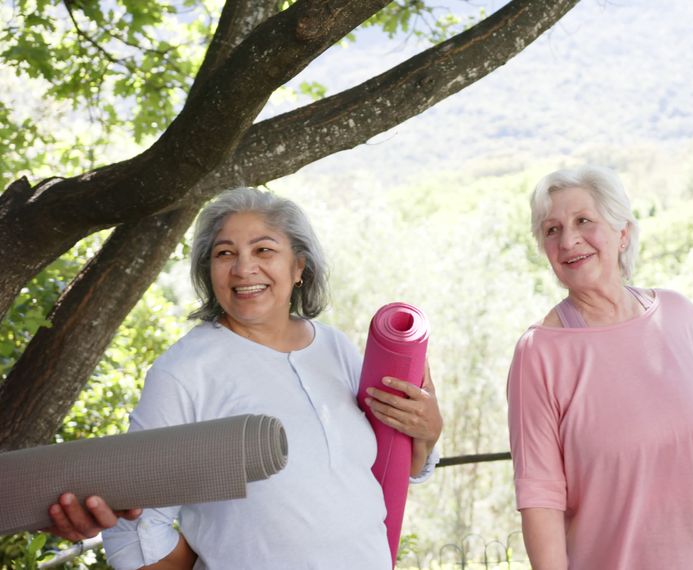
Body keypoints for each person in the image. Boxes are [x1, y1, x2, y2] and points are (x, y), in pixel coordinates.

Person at [44, 187, 443, 569]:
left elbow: (383, 468)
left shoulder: (335, 348)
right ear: (210, 271)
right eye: (224, 253)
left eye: (264, 249)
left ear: (299, 266)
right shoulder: (183, 372)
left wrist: (426, 433)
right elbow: (134, 528)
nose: (243, 267)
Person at [507, 166, 693, 569]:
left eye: (583, 221)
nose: (568, 239)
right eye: (552, 230)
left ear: (622, 232)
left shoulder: (678, 314)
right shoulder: (540, 353)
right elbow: (540, 497)